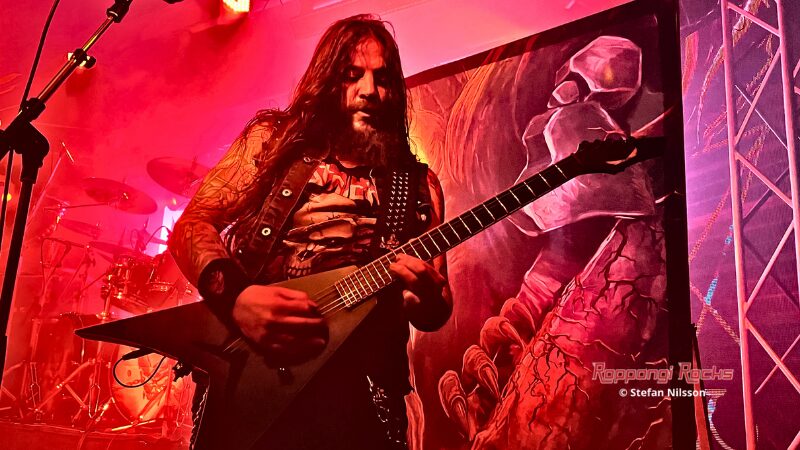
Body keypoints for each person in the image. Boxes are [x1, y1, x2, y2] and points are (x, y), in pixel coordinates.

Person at [168, 14, 451, 450]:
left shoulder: (418, 185)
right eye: (352, 75)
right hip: (256, 377)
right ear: (327, 80)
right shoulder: (272, 142)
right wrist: (237, 298)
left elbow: (434, 308)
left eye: (382, 79)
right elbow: (192, 224)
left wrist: (427, 297)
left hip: (362, 393)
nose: (369, 90)